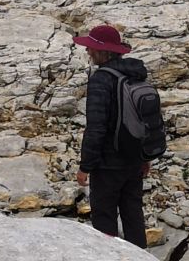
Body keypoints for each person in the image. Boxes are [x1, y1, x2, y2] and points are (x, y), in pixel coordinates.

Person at [72, 24, 152, 248]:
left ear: (102, 51)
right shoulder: (135, 75)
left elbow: (96, 127)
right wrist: (145, 157)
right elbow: (143, 119)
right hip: (134, 159)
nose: (88, 52)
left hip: (108, 164)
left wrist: (85, 166)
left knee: (104, 218)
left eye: (91, 49)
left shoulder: (101, 80)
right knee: (133, 213)